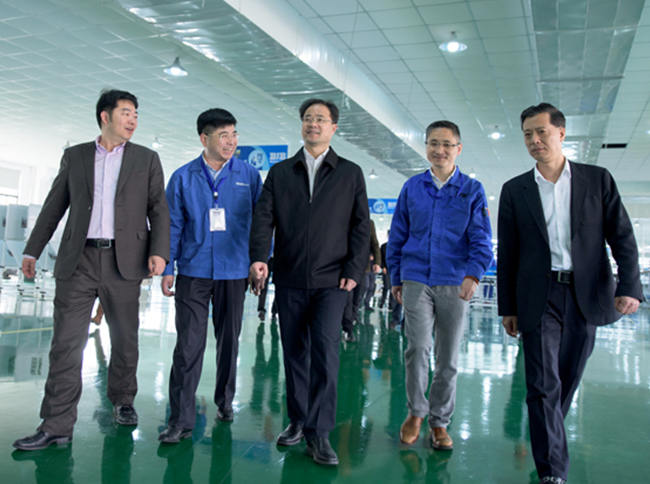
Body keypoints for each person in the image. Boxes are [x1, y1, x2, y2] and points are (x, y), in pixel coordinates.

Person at [13, 89, 170, 451]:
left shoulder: (146, 159)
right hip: (78, 260)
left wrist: (159, 252)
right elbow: (54, 206)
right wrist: (33, 248)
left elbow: (158, 209)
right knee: (66, 344)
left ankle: (123, 400)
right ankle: (55, 425)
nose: (133, 120)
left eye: (136, 114)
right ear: (105, 116)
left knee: (125, 339)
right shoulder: (76, 156)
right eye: (126, 112)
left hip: (125, 261)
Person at [497, 102, 643, 484]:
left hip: (585, 293)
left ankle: (549, 434)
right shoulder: (515, 190)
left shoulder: (597, 180)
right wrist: (507, 307)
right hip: (538, 295)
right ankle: (552, 471)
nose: (534, 140)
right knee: (542, 383)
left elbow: (622, 236)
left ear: (561, 133)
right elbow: (508, 253)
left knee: (568, 376)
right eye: (527, 134)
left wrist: (630, 285)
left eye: (541, 132)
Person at [249, 98, 369, 466]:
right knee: (294, 352)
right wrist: (259, 257)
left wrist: (353, 270)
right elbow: (264, 217)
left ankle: (320, 432)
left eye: (320, 119)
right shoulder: (281, 172)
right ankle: (298, 420)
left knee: (325, 354)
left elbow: (360, 226)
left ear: (334, 127)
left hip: (333, 281)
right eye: (307, 118)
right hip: (290, 276)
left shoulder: (350, 173)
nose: (312, 124)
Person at [158, 108, 262, 444]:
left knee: (229, 341)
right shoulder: (183, 177)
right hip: (194, 270)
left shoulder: (249, 176)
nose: (231, 142)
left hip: (234, 270)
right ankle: (180, 420)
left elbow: (262, 224)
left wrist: (259, 260)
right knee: (188, 346)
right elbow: (172, 225)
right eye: (223, 136)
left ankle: (225, 401)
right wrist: (169, 267)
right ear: (204, 138)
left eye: (234, 134)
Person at [387, 120, 492, 449]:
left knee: (448, 356)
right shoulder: (412, 187)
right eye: (434, 143)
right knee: (417, 348)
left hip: (454, 281)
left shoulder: (471, 190)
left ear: (458, 149)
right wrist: (395, 277)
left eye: (447, 144)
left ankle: (439, 421)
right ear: (426, 147)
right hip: (416, 278)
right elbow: (397, 235)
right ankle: (416, 413)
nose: (440, 150)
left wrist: (473, 274)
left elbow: (481, 238)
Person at [342, 219, 380, 343]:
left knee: (361, 292)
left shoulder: (369, 223)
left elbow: (374, 243)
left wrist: (377, 262)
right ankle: (348, 328)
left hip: (363, 266)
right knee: (348, 297)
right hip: (345, 266)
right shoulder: (344, 219)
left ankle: (353, 316)